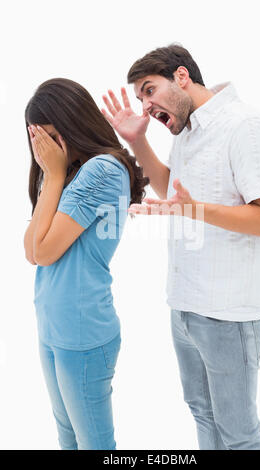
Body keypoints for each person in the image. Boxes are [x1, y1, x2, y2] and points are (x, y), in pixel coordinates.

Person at [101, 44, 260, 450]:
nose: (145, 106)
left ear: (181, 76)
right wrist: (137, 142)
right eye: (140, 98)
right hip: (185, 307)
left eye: (149, 90)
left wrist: (195, 210)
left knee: (239, 434)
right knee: (203, 414)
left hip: (227, 313)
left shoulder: (245, 126)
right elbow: (174, 192)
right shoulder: (186, 130)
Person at [23, 78, 149, 450]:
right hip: (53, 327)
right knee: (67, 437)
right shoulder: (69, 171)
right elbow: (31, 251)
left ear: (71, 123)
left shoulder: (103, 170)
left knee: (95, 444)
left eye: (48, 137)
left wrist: (55, 174)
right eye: (35, 139)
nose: (42, 150)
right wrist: (53, 175)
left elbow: (43, 251)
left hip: (82, 333)